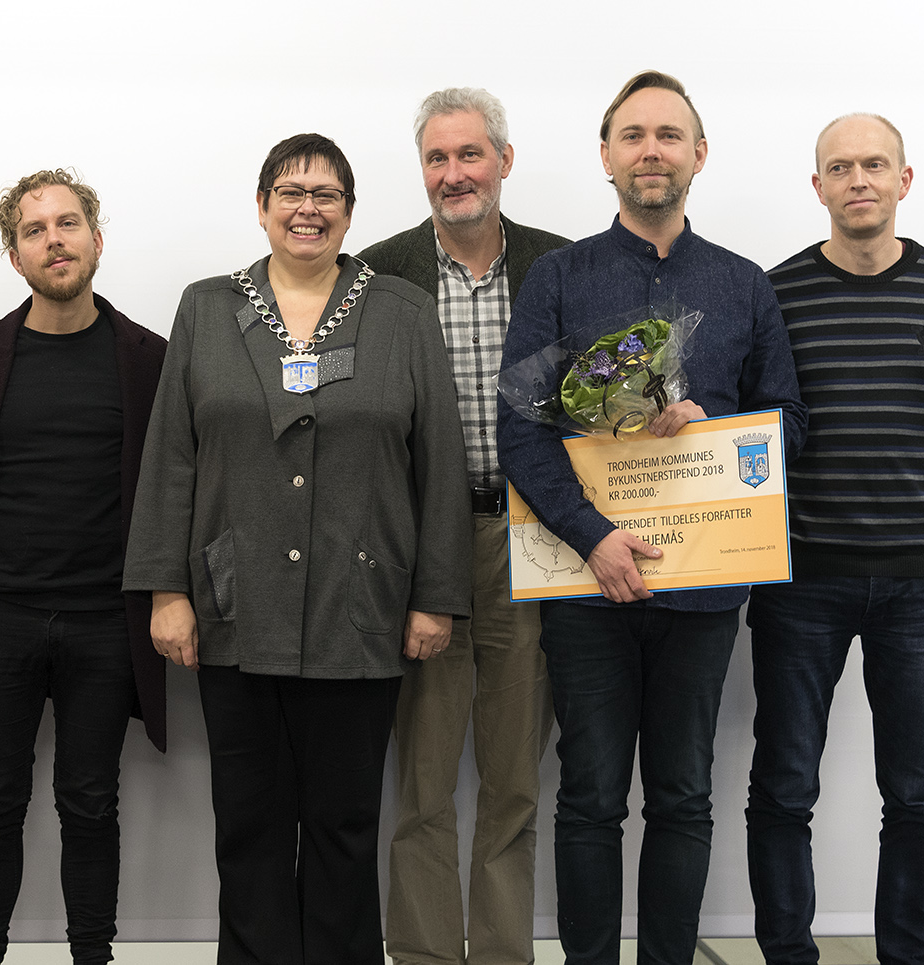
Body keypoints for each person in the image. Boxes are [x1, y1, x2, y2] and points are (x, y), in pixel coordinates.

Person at [124, 132, 472, 965]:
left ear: (349, 213)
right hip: (235, 608)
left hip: (361, 610)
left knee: (344, 826)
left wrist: (436, 596)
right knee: (248, 824)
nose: (307, 208)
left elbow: (440, 461)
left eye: (326, 195)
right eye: (290, 191)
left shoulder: (401, 311)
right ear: (262, 206)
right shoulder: (207, 308)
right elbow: (172, 454)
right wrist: (166, 590)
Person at [495, 71, 807, 965]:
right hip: (586, 585)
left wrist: (716, 431)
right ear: (606, 156)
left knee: (682, 797)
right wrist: (593, 536)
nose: (651, 151)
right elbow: (521, 429)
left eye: (669, 135)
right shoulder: (559, 277)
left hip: (705, 591)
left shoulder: (743, 284)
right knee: (591, 797)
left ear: (698, 155)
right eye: (632, 136)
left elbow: (789, 422)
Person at [746, 114, 924, 965]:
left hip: (923, 585)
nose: (859, 179)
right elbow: (760, 429)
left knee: (917, 795)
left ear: (903, 179)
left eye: (875, 164)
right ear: (817, 185)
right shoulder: (776, 294)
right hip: (800, 578)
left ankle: (910, 957)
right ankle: (787, 954)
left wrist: (905, 504)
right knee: (784, 786)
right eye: (841, 166)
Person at [0, 169, 167, 965]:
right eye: (34, 230)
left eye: (68, 223)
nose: (53, 240)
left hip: (106, 620)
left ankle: (93, 955)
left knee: (91, 802)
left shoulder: (149, 358)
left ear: (96, 238)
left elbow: (172, 491)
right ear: (14, 255)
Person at [358, 87, 568, 965]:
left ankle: (505, 955)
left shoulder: (560, 265)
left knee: (515, 780)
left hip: (535, 539)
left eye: (470, 154)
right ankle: (425, 955)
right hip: (425, 550)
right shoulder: (378, 273)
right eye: (437, 158)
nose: (454, 173)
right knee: (424, 781)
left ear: (504, 161)